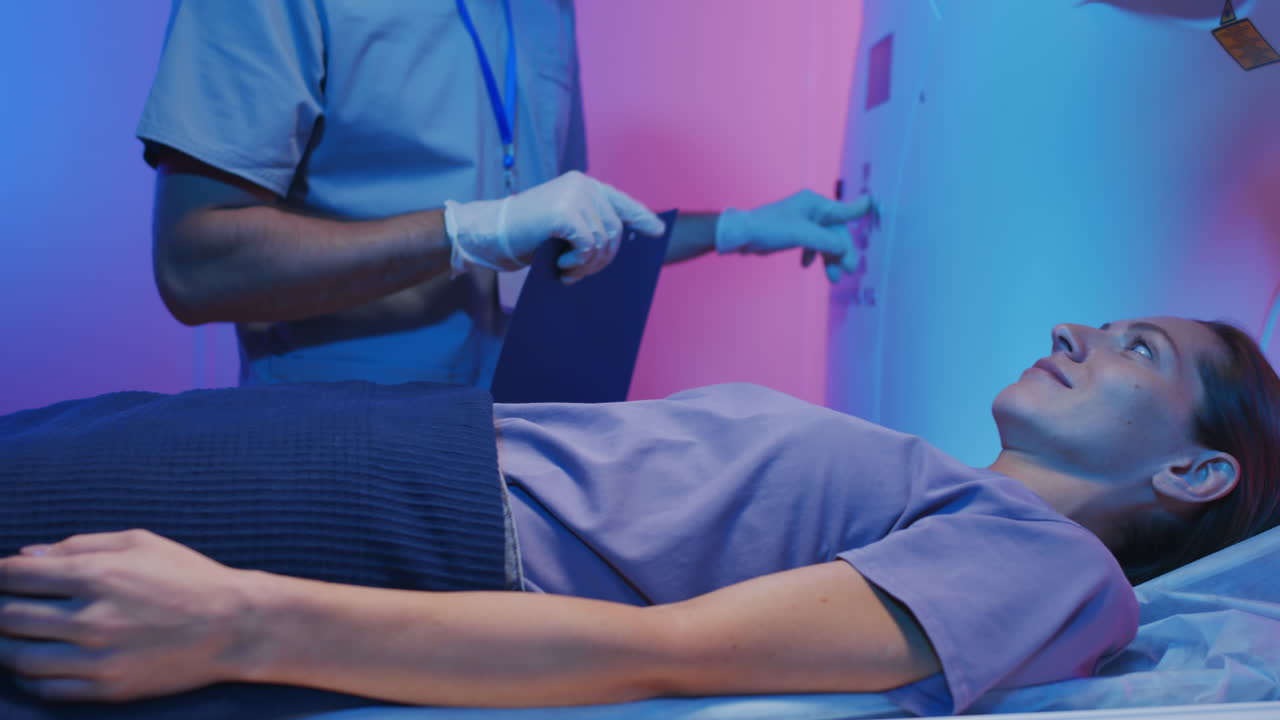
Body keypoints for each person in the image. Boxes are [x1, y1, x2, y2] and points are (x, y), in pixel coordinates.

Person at [0, 316, 1277, 717]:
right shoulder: (944, 494)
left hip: (399, 520)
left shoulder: (1052, 573)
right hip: (385, 454)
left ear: (1193, 475)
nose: (1073, 331)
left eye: (1133, 350)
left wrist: (240, 620)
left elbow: (667, 656)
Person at [138, 1, 872, 387]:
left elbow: (567, 234)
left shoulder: (542, 9)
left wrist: (740, 228)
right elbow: (194, 266)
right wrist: (465, 230)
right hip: (331, 448)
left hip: (511, 449)